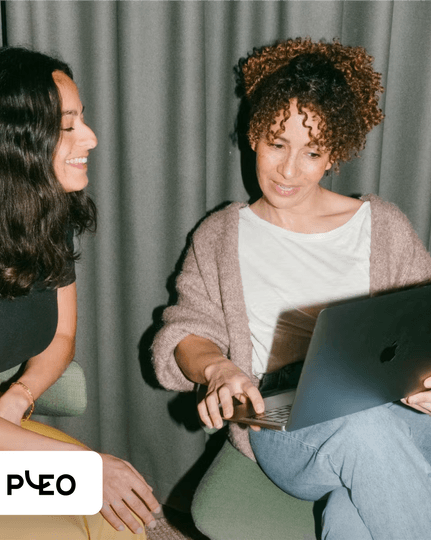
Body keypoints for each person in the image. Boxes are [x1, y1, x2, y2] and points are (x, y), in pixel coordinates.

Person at [152, 37, 431, 539]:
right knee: (364, 430)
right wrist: (217, 368)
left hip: (399, 412)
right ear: (253, 135)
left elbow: (424, 319)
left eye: (312, 152)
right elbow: (184, 331)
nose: (287, 169)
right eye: (277, 143)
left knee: (355, 511)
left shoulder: (382, 225)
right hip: (282, 419)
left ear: (334, 155)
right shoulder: (221, 235)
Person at [0, 47, 160, 540]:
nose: (90, 137)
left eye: (81, 119)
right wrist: (90, 465)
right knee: (59, 528)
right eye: (67, 126)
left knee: (116, 522)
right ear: (10, 141)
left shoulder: (47, 211)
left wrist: (16, 399)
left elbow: (61, 334)